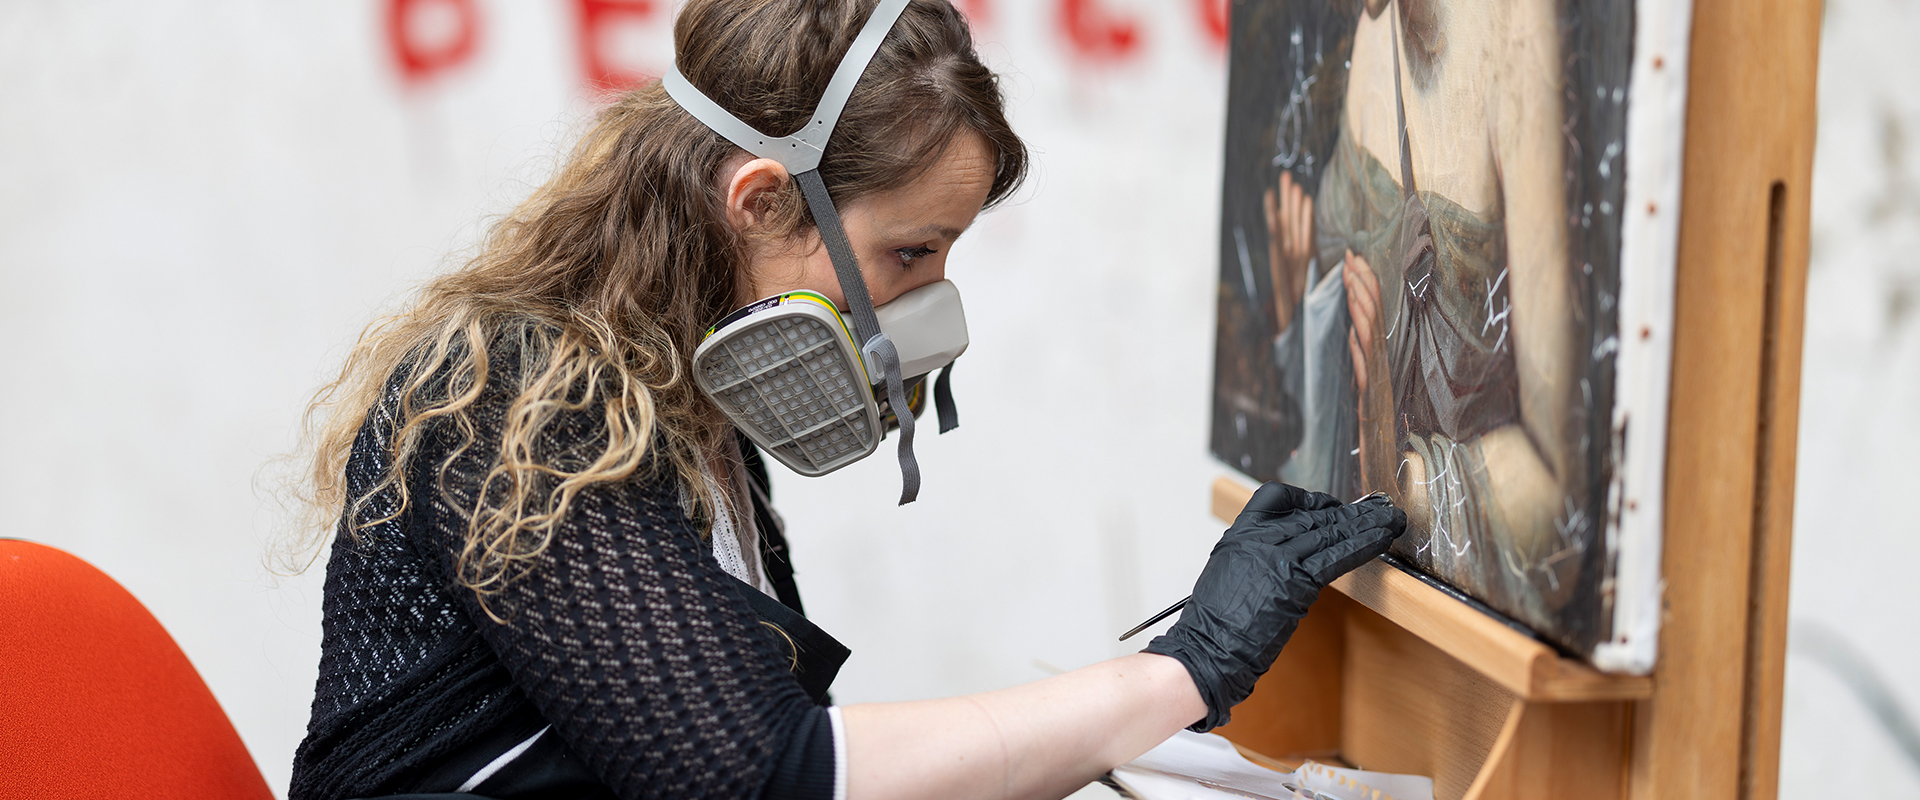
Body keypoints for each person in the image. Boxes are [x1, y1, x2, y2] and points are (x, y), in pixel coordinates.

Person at [288, 1, 1407, 798]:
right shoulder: (517, 406)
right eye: (909, 252)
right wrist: (1182, 670)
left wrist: (1165, 683)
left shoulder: (682, 407)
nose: (924, 307)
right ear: (763, 201)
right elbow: (765, 771)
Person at [1263, 0, 1583, 625]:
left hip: (1471, 655)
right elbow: (1344, 355)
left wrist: (1401, 483)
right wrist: (1292, 315)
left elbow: (1561, 497)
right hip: (1351, 615)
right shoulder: (1376, 20)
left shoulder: (1521, 44)